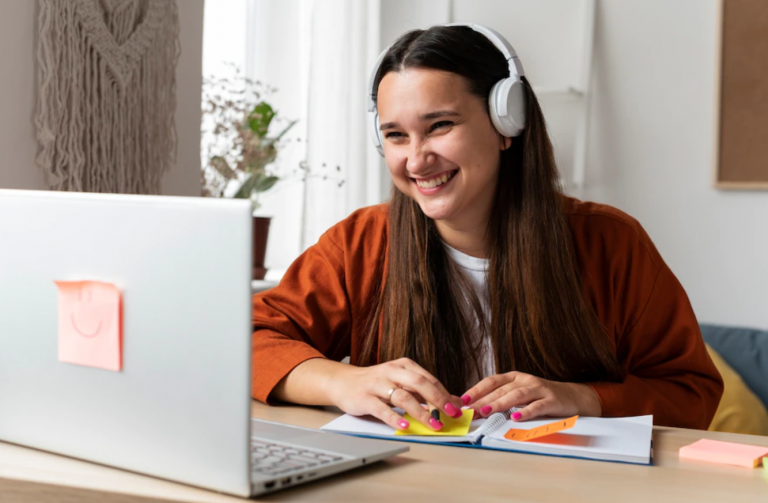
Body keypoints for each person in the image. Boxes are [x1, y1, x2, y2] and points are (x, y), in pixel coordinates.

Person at [251, 24, 723, 433]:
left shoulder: (612, 243)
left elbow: (690, 393)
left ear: (505, 124)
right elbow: (247, 337)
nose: (416, 159)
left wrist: (586, 398)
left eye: (439, 125)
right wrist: (342, 380)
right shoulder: (360, 243)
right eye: (396, 134)